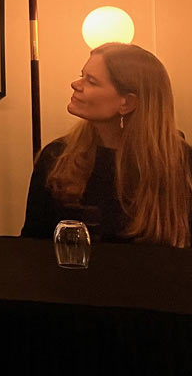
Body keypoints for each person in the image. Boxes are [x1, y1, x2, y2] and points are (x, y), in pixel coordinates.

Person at [22, 43, 192, 246]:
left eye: (91, 81)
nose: (76, 84)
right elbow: (31, 246)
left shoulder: (181, 163)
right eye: (82, 75)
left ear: (127, 103)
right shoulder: (56, 157)